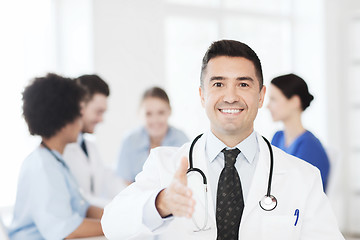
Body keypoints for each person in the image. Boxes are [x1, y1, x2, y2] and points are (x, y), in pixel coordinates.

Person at [101, 40, 344, 239]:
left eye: (243, 84)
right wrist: (161, 203)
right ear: (202, 95)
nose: (230, 96)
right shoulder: (164, 164)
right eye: (218, 84)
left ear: (261, 97)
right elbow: (111, 225)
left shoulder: (303, 177)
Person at [9, 74, 104, 239]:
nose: (81, 120)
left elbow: (83, 207)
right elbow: (66, 229)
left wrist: (122, 216)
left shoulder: (55, 161)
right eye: (79, 112)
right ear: (63, 119)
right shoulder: (43, 167)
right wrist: (117, 226)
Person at [63, 74, 125, 207]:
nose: (101, 120)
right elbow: (79, 199)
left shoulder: (89, 146)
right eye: (98, 112)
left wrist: (134, 198)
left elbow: (108, 180)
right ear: (80, 107)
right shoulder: (61, 149)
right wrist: (118, 208)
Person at [267, 73, 330, 191]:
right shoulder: (278, 137)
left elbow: (298, 191)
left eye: (273, 99)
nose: (268, 106)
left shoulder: (309, 146)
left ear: (295, 101)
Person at [116, 86, 188, 185]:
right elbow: (125, 183)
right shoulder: (130, 141)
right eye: (148, 114)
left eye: (161, 113)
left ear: (169, 111)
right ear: (139, 113)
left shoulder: (181, 140)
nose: (155, 120)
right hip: (137, 198)